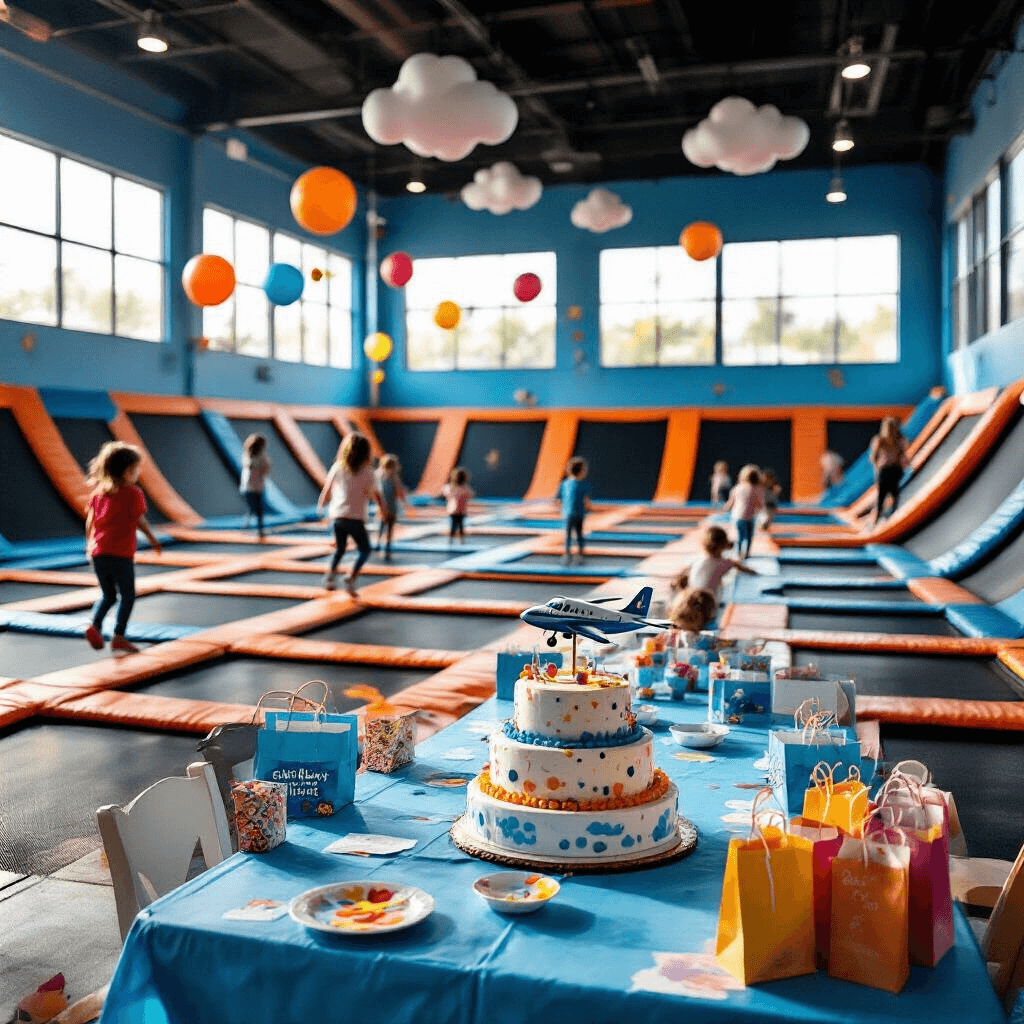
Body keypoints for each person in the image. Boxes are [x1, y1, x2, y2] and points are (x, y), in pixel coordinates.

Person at [83, 442, 162, 654]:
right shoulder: (133, 493)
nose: (138, 474)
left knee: (108, 595)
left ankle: (94, 625)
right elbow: (140, 521)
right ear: (127, 471)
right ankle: (119, 636)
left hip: (98, 553)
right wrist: (153, 540)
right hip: (120, 555)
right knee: (127, 595)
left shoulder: (99, 493)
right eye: (136, 470)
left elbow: (89, 522)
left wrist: (89, 544)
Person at [317, 433, 381, 595]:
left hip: (338, 516)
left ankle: (330, 577)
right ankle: (351, 576)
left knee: (340, 549)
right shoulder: (368, 471)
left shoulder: (338, 467)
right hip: (356, 518)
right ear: (367, 453)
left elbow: (327, 490)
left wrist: (321, 507)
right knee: (365, 549)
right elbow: (376, 494)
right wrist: (383, 509)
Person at [672, 525, 757, 605]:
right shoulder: (725, 563)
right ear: (723, 545)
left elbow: (684, 572)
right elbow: (739, 566)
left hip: (690, 597)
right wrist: (753, 572)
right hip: (708, 603)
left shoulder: (696, 558)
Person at [869, 416, 909, 526]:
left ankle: (888, 516)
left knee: (890, 494)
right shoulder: (881, 440)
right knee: (885, 495)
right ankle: (878, 519)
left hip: (893, 469)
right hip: (888, 470)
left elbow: (903, 456)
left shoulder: (898, 440)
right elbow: (874, 457)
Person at [723, 464, 764, 560]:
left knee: (740, 536)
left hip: (738, 516)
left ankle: (739, 552)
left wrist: (724, 509)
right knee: (749, 536)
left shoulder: (737, 488)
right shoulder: (757, 489)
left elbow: (730, 502)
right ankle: (747, 553)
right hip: (750, 517)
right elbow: (760, 504)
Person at [558, 456, 592, 565]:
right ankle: (580, 554)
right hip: (578, 513)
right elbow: (586, 500)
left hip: (568, 513)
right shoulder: (584, 484)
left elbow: (562, 498)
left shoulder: (565, 483)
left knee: (568, 534)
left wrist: (563, 508)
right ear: (581, 471)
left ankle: (568, 553)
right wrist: (589, 507)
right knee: (579, 534)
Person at [239, 433, 272, 539]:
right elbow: (263, 469)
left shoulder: (257, 456)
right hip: (252, 486)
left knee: (255, 508)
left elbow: (265, 469)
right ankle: (257, 529)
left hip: (254, 486)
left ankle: (251, 527)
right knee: (256, 508)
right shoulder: (250, 456)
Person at [375, 454, 406, 559]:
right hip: (389, 506)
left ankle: (380, 544)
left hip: (383, 506)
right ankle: (386, 547)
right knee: (388, 528)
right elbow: (398, 492)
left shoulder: (380, 476)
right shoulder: (393, 478)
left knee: (383, 526)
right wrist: (403, 500)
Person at [442, 467, 474, 545]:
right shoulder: (464, 488)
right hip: (461, 510)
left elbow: (445, 492)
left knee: (455, 525)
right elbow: (471, 495)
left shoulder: (451, 487)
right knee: (460, 525)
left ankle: (452, 539)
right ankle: (460, 540)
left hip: (453, 510)